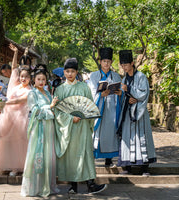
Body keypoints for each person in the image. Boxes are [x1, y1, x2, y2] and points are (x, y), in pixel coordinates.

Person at [54, 58, 107, 194]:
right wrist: (71, 118)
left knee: (85, 154)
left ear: (77, 72)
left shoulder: (84, 87)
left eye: (72, 71)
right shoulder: (60, 90)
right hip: (69, 128)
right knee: (71, 156)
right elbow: (57, 111)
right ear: (64, 72)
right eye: (67, 71)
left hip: (83, 126)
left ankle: (91, 184)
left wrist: (85, 117)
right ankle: (73, 185)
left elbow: (89, 106)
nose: (70, 74)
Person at [0, 46, 32, 177]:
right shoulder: (15, 84)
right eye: (21, 77)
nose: (23, 79)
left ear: (30, 78)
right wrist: (15, 53)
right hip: (8, 117)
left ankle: (17, 167)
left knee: (19, 143)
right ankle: (6, 165)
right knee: (6, 143)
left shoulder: (30, 90)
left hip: (21, 118)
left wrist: (3, 102)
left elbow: (18, 101)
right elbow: (14, 67)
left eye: (26, 77)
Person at [21, 65, 59, 197]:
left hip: (49, 127)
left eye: (43, 79)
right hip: (39, 128)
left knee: (48, 155)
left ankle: (46, 185)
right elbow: (35, 111)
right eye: (39, 79)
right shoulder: (32, 93)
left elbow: (51, 109)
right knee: (37, 155)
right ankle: (34, 187)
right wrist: (50, 107)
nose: (41, 81)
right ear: (34, 80)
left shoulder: (48, 93)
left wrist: (53, 108)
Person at [117, 50, 157, 176]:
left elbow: (144, 94)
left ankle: (144, 168)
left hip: (138, 113)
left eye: (126, 65)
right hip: (127, 112)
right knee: (127, 138)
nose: (124, 67)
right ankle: (127, 167)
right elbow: (124, 95)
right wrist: (125, 96)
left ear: (132, 63)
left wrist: (129, 90)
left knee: (141, 137)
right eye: (122, 65)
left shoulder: (141, 77)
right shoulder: (124, 78)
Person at [88, 47, 122, 167]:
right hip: (99, 107)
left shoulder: (116, 76)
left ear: (111, 62)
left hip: (112, 107)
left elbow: (121, 90)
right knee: (97, 132)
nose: (106, 64)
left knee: (110, 133)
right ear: (100, 62)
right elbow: (91, 92)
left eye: (108, 61)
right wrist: (100, 95)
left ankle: (109, 159)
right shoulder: (93, 76)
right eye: (104, 61)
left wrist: (119, 93)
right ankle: (93, 156)